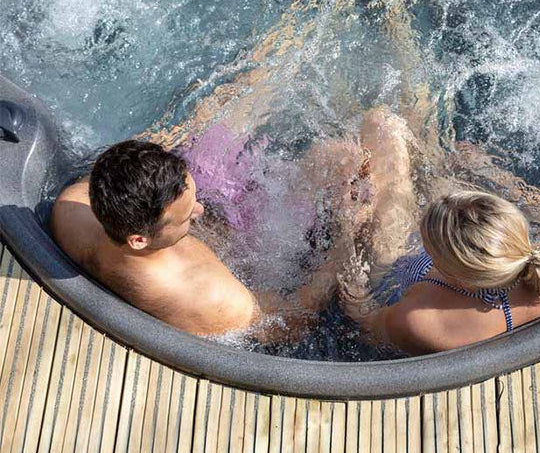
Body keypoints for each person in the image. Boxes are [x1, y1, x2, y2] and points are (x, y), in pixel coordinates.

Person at [338, 110, 540, 355]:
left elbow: (364, 321)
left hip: (396, 266)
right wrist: (492, 172)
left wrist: (347, 233)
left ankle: (420, 112)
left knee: (380, 125)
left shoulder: (422, 320)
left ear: (448, 271)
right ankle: (423, 122)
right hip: (469, 253)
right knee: (433, 161)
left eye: (429, 242)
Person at [50, 139, 354, 339]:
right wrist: (347, 240)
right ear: (139, 240)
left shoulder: (72, 208)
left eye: (192, 197)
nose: (200, 209)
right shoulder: (214, 298)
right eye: (186, 216)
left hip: (206, 242)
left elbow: (119, 174)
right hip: (257, 261)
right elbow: (293, 321)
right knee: (345, 157)